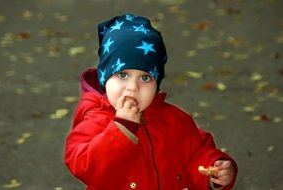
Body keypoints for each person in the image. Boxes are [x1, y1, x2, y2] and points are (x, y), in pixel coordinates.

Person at [64, 13, 237, 190]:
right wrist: (120, 129)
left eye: (145, 78)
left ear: (156, 84)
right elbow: (83, 165)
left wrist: (214, 172)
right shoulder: (95, 120)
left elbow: (197, 154)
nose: (133, 87)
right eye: (122, 75)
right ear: (104, 78)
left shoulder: (175, 120)